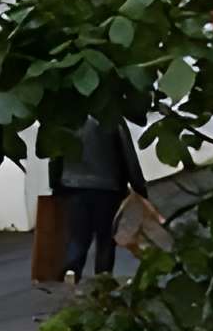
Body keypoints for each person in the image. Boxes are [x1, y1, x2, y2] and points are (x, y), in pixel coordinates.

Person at [50, 106, 150, 285]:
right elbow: (128, 154)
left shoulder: (66, 118)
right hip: (108, 188)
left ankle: (71, 270)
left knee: (77, 236)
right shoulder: (112, 118)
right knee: (105, 238)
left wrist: (56, 185)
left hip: (72, 186)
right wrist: (139, 188)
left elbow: (55, 155)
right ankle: (103, 279)